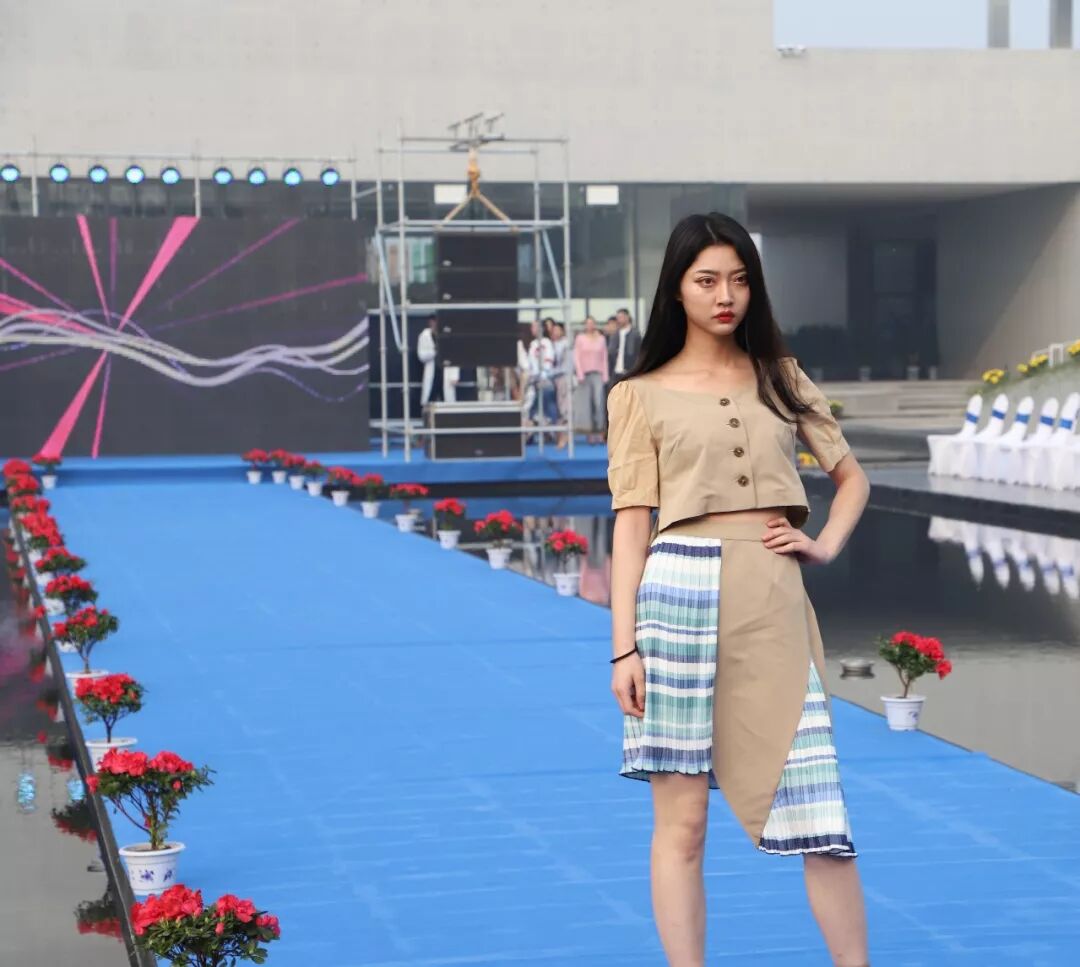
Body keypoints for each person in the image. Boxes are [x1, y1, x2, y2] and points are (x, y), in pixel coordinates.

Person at [606, 212, 871, 967]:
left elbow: (852, 478)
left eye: (739, 279)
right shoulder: (638, 394)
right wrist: (623, 648)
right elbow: (632, 525)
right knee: (683, 823)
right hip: (676, 600)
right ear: (677, 289)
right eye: (707, 280)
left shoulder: (780, 376)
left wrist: (823, 543)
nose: (726, 296)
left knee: (822, 813)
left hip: (774, 598)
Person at [573, 315, 609, 444]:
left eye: (592, 323)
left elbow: (604, 357)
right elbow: (576, 356)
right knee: (586, 404)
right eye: (587, 323)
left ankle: (599, 431)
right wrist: (579, 374)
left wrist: (605, 375)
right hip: (584, 374)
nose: (590, 325)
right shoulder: (580, 338)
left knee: (598, 402)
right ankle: (589, 433)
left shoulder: (601, 339)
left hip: (598, 373)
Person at [525, 320, 559, 441]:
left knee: (549, 404)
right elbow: (529, 363)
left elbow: (549, 360)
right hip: (533, 380)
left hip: (545, 378)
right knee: (531, 408)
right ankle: (530, 433)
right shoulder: (532, 344)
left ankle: (554, 431)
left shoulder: (546, 342)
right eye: (531, 327)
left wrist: (543, 375)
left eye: (534, 326)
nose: (532, 329)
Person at [550, 321, 573, 449]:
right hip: (552, 379)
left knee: (563, 408)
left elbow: (567, 366)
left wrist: (551, 372)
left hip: (563, 378)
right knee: (555, 409)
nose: (555, 332)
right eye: (553, 330)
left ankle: (564, 437)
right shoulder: (550, 344)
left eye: (557, 330)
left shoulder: (566, 345)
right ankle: (557, 435)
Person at [608, 307, 641, 385]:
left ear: (627, 317)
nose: (619, 320)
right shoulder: (615, 335)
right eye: (618, 318)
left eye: (621, 317)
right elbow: (610, 353)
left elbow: (639, 353)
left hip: (629, 372)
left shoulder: (635, 334)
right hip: (616, 373)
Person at [417, 314, 441, 406]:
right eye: (432, 322)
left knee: (446, 401)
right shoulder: (424, 336)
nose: (434, 324)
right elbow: (421, 356)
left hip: (444, 373)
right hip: (433, 371)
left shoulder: (445, 334)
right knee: (430, 398)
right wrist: (434, 352)